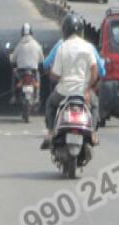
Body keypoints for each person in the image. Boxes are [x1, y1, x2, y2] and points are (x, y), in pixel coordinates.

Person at [41, 13, 100, 149]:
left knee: (50, 104)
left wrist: (53, 75)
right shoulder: (88, 47)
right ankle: (94, 133)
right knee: (95, 104)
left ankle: (50, 132)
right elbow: (95, 71)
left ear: (65, 30)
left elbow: (55, 75)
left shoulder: (62, 47)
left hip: (64, 91)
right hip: (82, 91)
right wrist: (87, 88)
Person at [10, 23, 44, 104]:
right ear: (31, 32)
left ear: (22, 33)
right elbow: (41, 60)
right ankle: (37, 98)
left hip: (21, 72)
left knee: (14, 75)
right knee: (38, 80)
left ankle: (14, 96)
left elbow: (13, 60)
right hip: (33, 71)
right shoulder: (36, 45)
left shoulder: (19, 45)